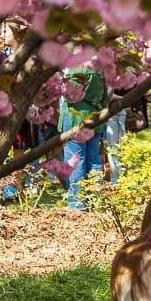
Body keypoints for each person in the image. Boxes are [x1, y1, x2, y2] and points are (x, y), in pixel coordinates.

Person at [62, 67, 107, 210]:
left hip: (75, 117)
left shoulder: (76, 68)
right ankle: (94, 201)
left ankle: (77, 204)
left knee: (75, 160)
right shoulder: (99, 69)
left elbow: (68, 94)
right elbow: (106, 96)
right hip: (95, 117)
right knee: (93, 159)